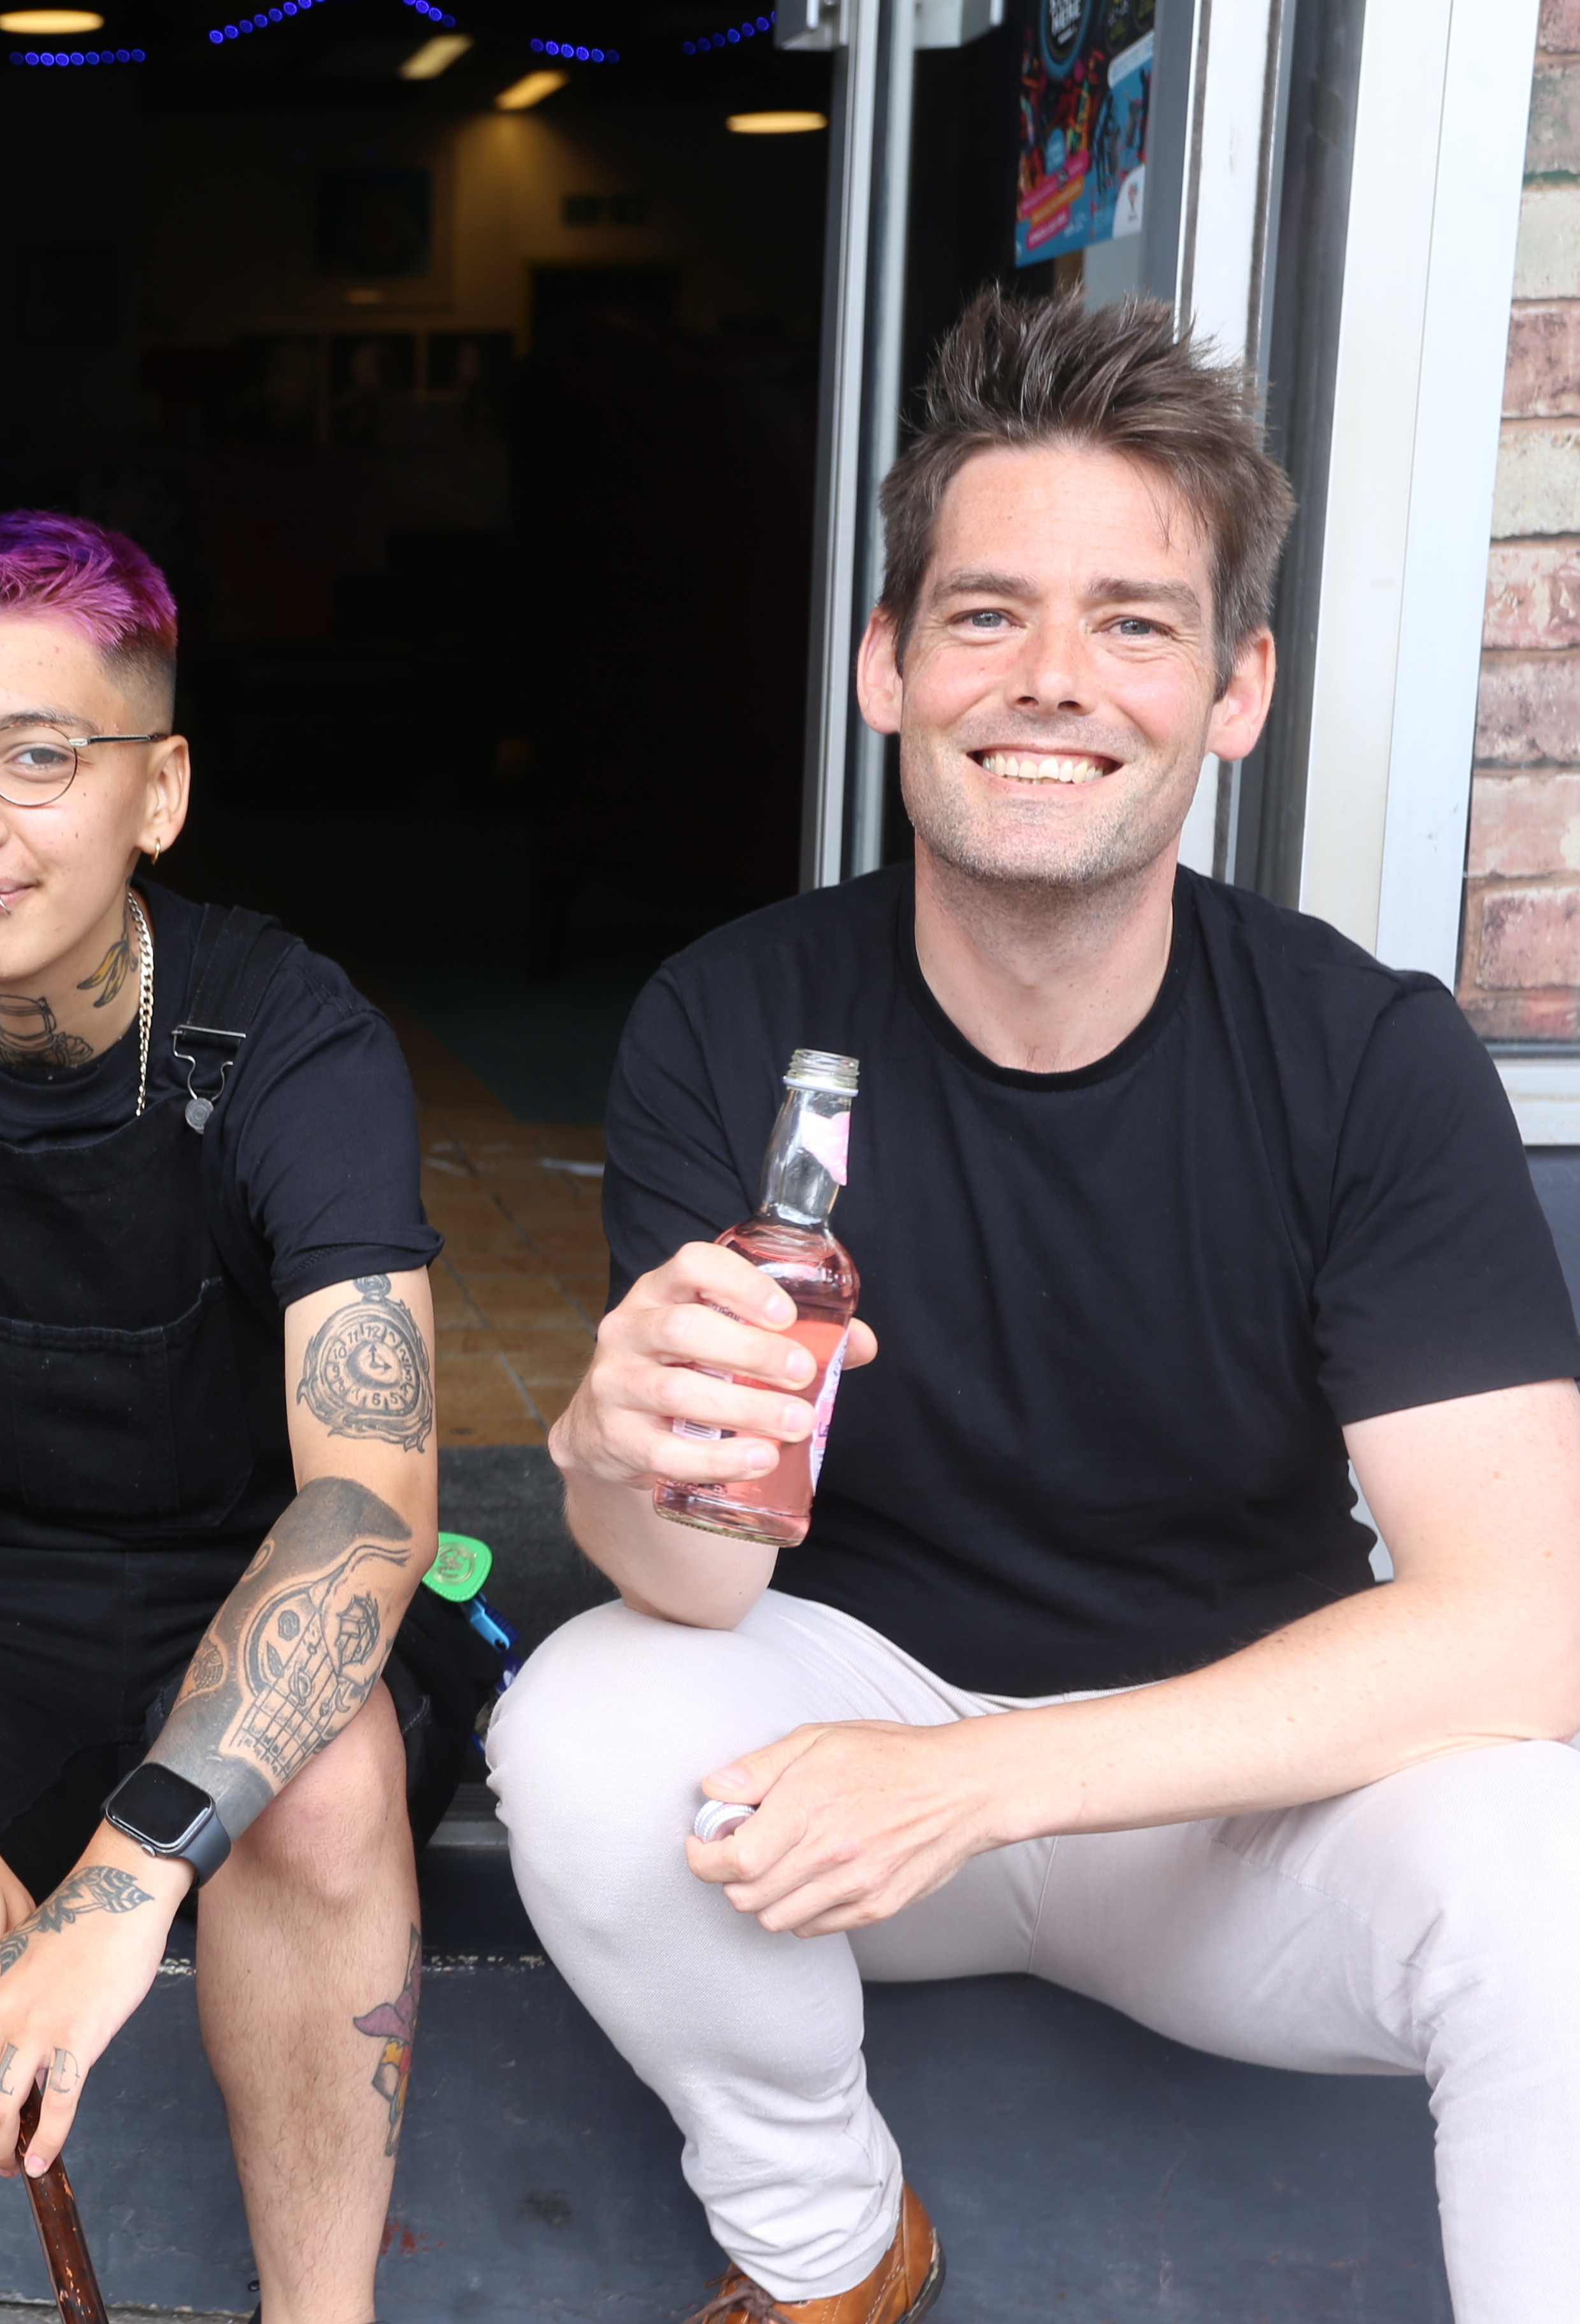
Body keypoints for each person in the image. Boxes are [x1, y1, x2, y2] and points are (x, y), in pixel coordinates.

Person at [490, 290, 1580, 2324]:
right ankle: (828, 2255)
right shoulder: (737, 1017)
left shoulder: (1365, 1053)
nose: (1054, 681)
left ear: (1237, 689)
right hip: (843, 1777)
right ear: (885, 665)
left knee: (1556, 1872)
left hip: (1225, 1813)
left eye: (1137, 623)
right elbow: (700, 1591)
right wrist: (601, 1451)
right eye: (985, 616)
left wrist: (998, 1777)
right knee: (585, 1718)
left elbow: (1527, 1622)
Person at [0, 512, 502, 2324]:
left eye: (40, 755)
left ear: (163, 790)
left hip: (264, 1567)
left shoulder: (292, 1034)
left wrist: (124, 1891)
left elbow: (366, 1495)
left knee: (328, 1779)